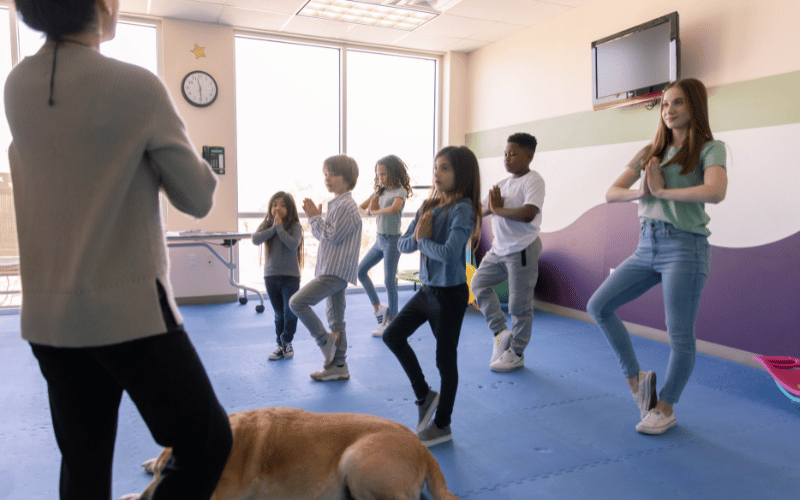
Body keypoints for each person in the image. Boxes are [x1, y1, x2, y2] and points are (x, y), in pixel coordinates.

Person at [4, 0, 233, 498]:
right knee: (208, 441)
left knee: (83, 466)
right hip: (127, 313)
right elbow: (196, 196)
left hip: (49, 318)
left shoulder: (16, 86)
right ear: (103, 6)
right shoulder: (136, 86)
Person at [586, 78, 728, 435]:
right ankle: (637, 381)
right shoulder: (649, 150)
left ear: (695, 106)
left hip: (685, 247)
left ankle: (665, 407)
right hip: (646, 244)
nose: (669, 110)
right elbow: (611, 192)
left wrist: (662, 191)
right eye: (665, 105)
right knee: (598, 306)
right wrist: (642, 193)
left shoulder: (711, 149)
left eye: (678, 103)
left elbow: (716, 191)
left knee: (679, 335)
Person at [383, 146, 481, 447]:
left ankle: (443, 424)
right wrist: (417, 237)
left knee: (445, 361)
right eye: (436, 167)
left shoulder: (463, 209)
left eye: (446, 168)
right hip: (427, 292)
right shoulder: (428, 204)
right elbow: (402, 245)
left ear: (461, 174)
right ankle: (425, 395)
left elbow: (450, 255)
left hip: (449, 296)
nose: (437, 173)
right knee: (392, 335)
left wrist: (422, 239)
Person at [471, 132, 545, 372]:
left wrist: (498, 209)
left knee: (519, 306)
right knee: (478, 284)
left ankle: (517, 352)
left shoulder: (533, 180)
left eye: (513, 154)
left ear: (529, 156)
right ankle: (501, 332)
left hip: (521, 250)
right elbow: (481, 209)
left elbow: (528, 213)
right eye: (505, 154)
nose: (507, 158)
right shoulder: (502, 185)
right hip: (499, 250)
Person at [290, 155, 362, 381]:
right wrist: (316, 219)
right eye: (325, 174)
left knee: (297, 302)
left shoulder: (346, 206)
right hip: (331, 269)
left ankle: (325, 340)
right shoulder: (337, 204)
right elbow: (324, 235)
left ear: (348, 178)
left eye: (333, 173)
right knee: (336, 320)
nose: (327, 178)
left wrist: (314, 218)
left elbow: (331, 235)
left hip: (335, 271)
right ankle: (338, 366)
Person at [358, 155, 413, 337]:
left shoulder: (400, 190)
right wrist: (368, 209)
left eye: (383, 174)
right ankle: (378, 308)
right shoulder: (379, 192)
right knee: (360, 271)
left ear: (393, 173)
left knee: (389, 281)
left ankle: (392, 321)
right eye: (378, 174)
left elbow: (394, 209)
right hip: (379, 240)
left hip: (392, 241)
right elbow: (361, 208)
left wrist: (374, 211)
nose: (381, 177)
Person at [252, 191, 304, 360]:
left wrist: (279, 227)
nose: (277, 208)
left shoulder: (295, 226)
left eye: (282, 205)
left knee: (290, 312)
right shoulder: (268, 224)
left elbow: (292, 244)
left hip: (290, 277)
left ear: (289, 208)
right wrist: (274, 227)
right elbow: (255, 239)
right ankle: (280, 346)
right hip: (271, 276)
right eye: (274, 204)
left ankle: (287, 341)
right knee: (278, 314)